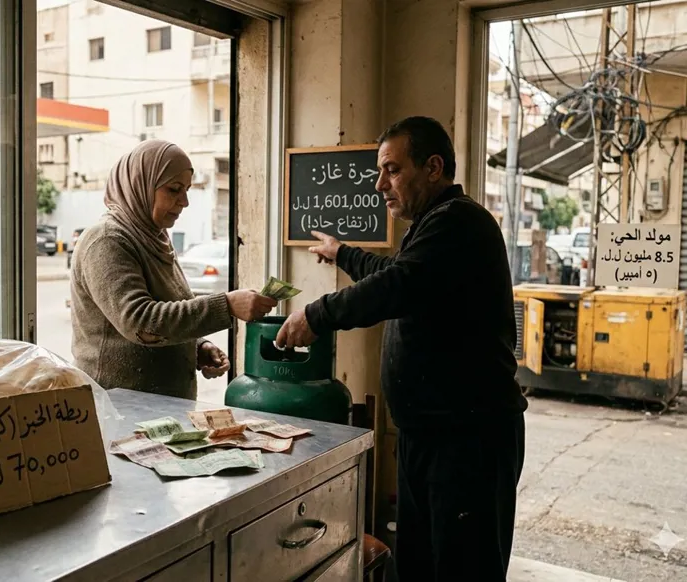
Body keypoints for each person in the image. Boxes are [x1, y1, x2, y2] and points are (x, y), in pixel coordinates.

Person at [276, 116, 527, 581]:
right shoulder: (435, 225)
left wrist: (316, 315)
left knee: (461, 571)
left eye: (391, 169)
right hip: (430, 435)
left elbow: (399, 282)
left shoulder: (460, 222)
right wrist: (342, 252)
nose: (379, 185)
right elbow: (397, 272)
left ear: (433, 167)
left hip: (467, 442)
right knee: (417, 568)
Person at [70, 139, 276, 400]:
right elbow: (139, 321)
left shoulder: (155, 238)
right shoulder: (107, 241)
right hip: (120, 409)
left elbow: (172, 306)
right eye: (173, 189)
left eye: (187, 190)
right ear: (140, 185)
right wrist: (226, 305)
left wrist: (198, 346)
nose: (184, 201)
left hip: (161, 409)